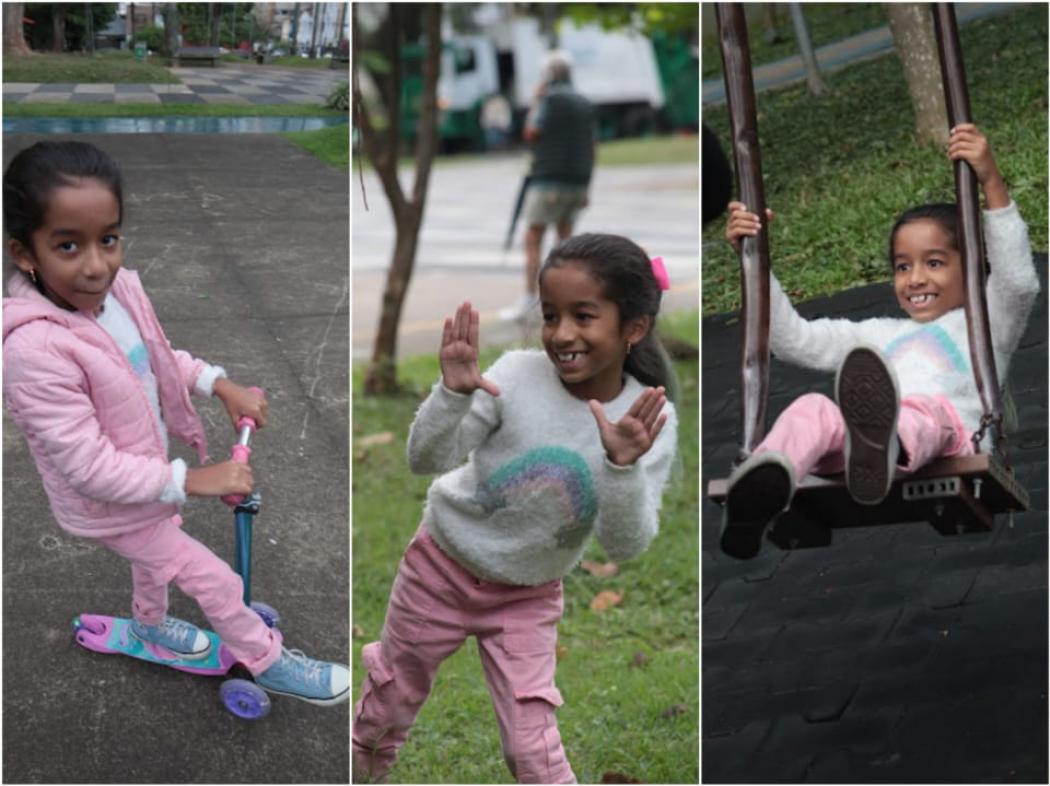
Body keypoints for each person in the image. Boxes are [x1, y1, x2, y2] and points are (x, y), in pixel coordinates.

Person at [1, 141, 348, 703]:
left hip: (147, 479)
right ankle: (268, 662)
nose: (96, 265)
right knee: (214, 579)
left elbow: (156, 357)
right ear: (25, 253)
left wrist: (219, 384)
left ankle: (150, 623)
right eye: (68, 245)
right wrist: (192, 479)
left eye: (107, 239)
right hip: (110, 503)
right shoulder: (34, 352)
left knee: (158, 558)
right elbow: (88, 467)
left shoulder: (115, 297)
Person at [353, 234, 678, 783]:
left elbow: (626, 544)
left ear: (634, 327)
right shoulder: (517, 376)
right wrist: (452, 394)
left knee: (534, 750)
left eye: (584, 316)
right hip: (441, 568)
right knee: (386, 710)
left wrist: (621, 466)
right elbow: (424, 458)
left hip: (527, 596)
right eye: (550, 316)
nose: (561, 334)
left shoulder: (645, 421)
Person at [719, 124, 1040, 558]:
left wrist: (992, 182)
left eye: (935, 262)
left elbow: (1019, 282)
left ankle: (884, 441)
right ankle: (761, 492)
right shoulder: (879, 335)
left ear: (974, 265)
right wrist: (755, 260)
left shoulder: (986, 323)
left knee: (923, 414)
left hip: (946, 437)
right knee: (810, 410)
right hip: (857, 453)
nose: (916, 278)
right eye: (903, 267)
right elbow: (792, 340)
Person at [500, 50, 597, 323]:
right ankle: (567, 300)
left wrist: (536, 99)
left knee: (533, 240)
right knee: (565, 244)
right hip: (577, 181)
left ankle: (530, 300)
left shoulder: (549, 100)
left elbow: (531, 132)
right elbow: (592, 146)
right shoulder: (583, 102)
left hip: (548, 180)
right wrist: (587, 186)